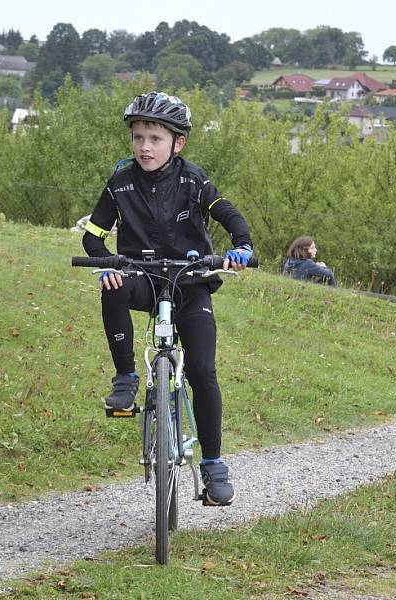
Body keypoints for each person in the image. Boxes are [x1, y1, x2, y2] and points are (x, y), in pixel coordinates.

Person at [81, 92, 254, 507]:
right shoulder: (120, 182)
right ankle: (125, 379)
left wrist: (242, 247)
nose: (144, 147)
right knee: (113, 284)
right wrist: (105, 261)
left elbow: (227, 214)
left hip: (191, 282)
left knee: (202, 372)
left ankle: (213, 466)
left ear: (178, 143)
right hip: (142, 277)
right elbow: (93, 235)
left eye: (155, 138)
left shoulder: (194, 180)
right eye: (138, 137)